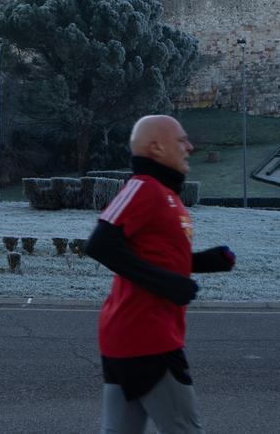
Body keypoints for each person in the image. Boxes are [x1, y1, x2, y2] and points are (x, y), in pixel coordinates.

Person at [85, 114, 236, 433]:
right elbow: (101, 243)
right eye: (181, 140)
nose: (190, 147)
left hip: (133, 336)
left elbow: (156, 257)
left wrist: (207, 261)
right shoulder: (142, 187)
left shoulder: (167, 196)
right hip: (146, 336)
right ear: (155, 147)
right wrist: (168, 284)